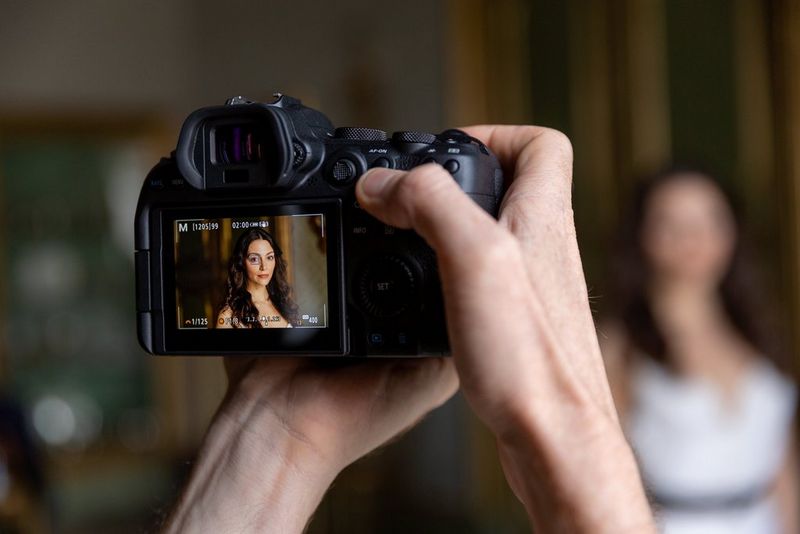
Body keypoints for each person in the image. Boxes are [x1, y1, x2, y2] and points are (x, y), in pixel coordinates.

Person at [164, 126, 656, 533]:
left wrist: (554, 416)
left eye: (271, 254)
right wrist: (271, 437)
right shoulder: (233, 312)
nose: (264, 265)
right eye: (254, 256)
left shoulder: (293, 303)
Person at [600, 167, 798, 534]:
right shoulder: (620, 345)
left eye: (709, 219)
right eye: (671, 223)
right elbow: (601, 478)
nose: (693, 237)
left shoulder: (756, 329)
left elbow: (780, 467)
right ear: (642, 235)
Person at [216, 227, 299, 329]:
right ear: (241, 262)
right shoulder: (228, 316)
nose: (264, 266)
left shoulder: (283, 302)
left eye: (269, 257)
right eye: (254, 259)